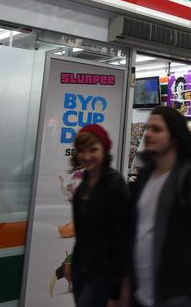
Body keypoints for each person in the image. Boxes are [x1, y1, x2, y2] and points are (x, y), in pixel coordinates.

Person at [130, 106, 191, 307]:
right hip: (142, 294)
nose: (148, 134)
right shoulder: (145, 176)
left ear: (174, 136)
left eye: (157, 129)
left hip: (179, 296)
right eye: (148, 128)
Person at [70, 124, 130, 307]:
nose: (87, 156)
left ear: (104, 149)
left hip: (104, 272)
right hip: (81, 268)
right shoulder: (83, 185)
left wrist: (116, 290)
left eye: (93, 149)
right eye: (82, 150)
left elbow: (123, 240)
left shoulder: (115, 186)